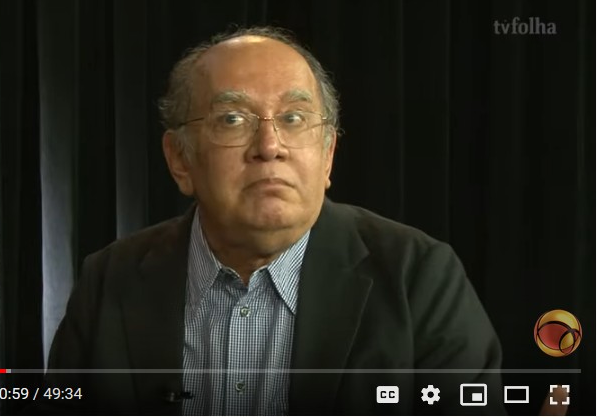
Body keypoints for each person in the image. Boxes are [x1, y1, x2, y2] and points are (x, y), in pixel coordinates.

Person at [40, 26, 504, 415]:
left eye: (294, 118)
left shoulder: (418, 276)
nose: (269, 146)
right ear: (180, 158)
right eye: (232, 119)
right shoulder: (110, 280)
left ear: (327, 155)